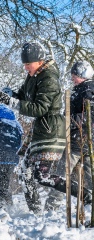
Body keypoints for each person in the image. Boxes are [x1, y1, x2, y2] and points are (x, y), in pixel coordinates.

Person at [0, 42, 92, 214]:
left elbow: (40, 108)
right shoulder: (33, 76)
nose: (25, 68)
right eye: (24, 64)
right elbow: (24, 95)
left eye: (28, 64)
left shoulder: (49, 78)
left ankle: (85, 195)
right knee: (26, 173)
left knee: (42, 175)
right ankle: (36, 213)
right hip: (40, 129)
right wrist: (11, 95)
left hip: (51, 130)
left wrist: (12, 103)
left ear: (39, 61)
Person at [45, 60, 94, 210]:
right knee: (90, 176)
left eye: (75, 75)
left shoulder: (87, 91)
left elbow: (89, 116)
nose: (72, 77)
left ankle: (52, 206)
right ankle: (90, 205)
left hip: (79, 140)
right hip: (85, 140)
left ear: (83, 75)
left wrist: (69, 121)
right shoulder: (80, 90)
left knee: (62, 174)